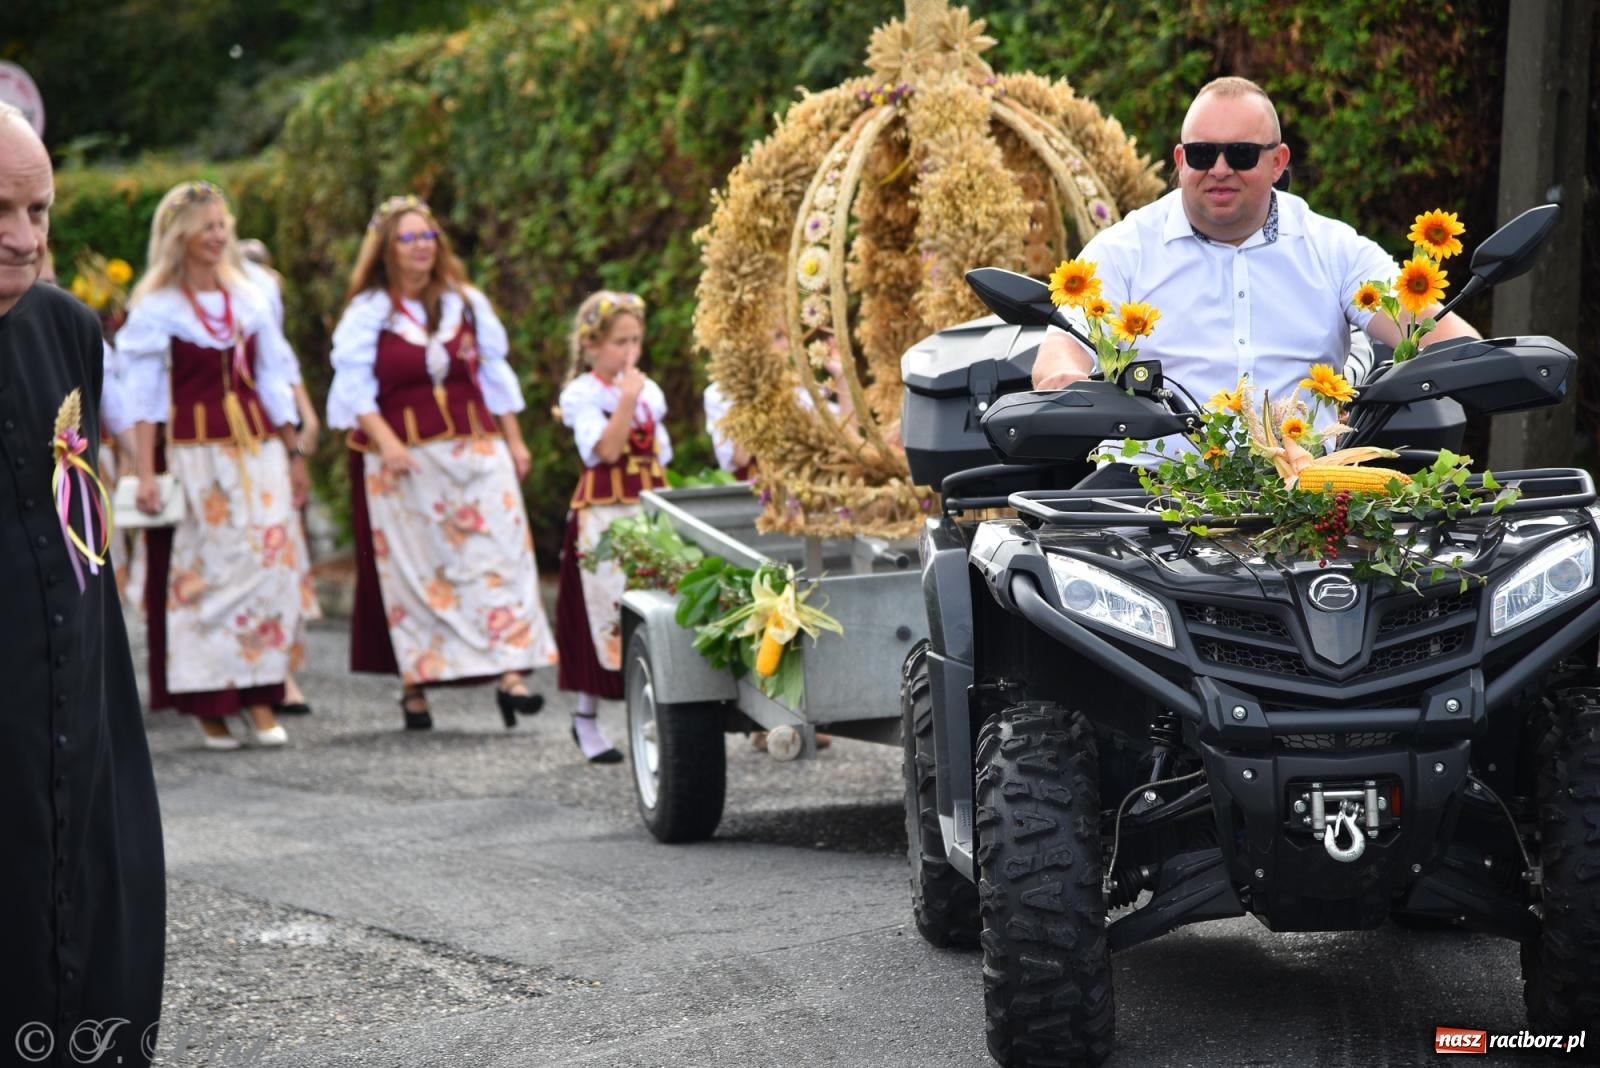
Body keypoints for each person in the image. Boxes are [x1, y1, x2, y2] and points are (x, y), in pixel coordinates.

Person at [1030, 76, 1479, 485]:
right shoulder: (1124, 250)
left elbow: (1432, 328)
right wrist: (1067, 385)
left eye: (1241, 154)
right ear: (1181, 160)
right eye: (1203, 154)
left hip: (1305, 501)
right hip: (1149, 501)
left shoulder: (1332, 248)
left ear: (1278, 162)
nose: (1220, 169)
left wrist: (1476, 361)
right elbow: (1059, 355)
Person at [0, 101, 165, 1068]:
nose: (23, 240)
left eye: (40, 212)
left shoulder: (68, 329)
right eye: (0, 213)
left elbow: (80, 521)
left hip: (78, 708)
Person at [327, 195, 556, 730]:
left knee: (498, 556)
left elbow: (495, 378)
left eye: (427, 237)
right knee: (418, 571)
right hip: (407, 460)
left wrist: (516, 442)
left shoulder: (465, 302)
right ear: (386, 249)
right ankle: (416, 685)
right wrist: (387, 443)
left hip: (476, 450)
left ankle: (511, 675)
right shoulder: (369, 314)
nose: (421, 247)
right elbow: (354, 389)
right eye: (408, 239)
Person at [119, 180, 312, 750]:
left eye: (222, 224)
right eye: (206, 226)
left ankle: (260, 692)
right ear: (180, 237)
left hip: (259, 451)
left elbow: (273, 378)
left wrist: (293, 447)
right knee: (207, 574)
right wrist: (148, 473)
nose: (218, 235)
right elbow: (146, 397)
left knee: (270, 565)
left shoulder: (249, 295)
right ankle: (210, 701)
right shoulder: (158, 308)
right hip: (200, 460)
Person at [556, 290, 669, 763]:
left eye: (636, 340)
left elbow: (660, 452)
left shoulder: (651, 392)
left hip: (645, 510)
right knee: (600, 612)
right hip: (602, 516)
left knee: (654, 604)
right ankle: (586, 718)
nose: (630, 352)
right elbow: (604, 450)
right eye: (620, 341)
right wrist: (625, 399)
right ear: (592, 347)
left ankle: (656, 712)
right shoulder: (582, 394)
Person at [238, 236, 320, 717]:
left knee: (280, 558)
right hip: (233, 448)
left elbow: (293, 394)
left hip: (266, 444)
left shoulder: (269, 338)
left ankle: (282, 669)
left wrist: (299, 444)